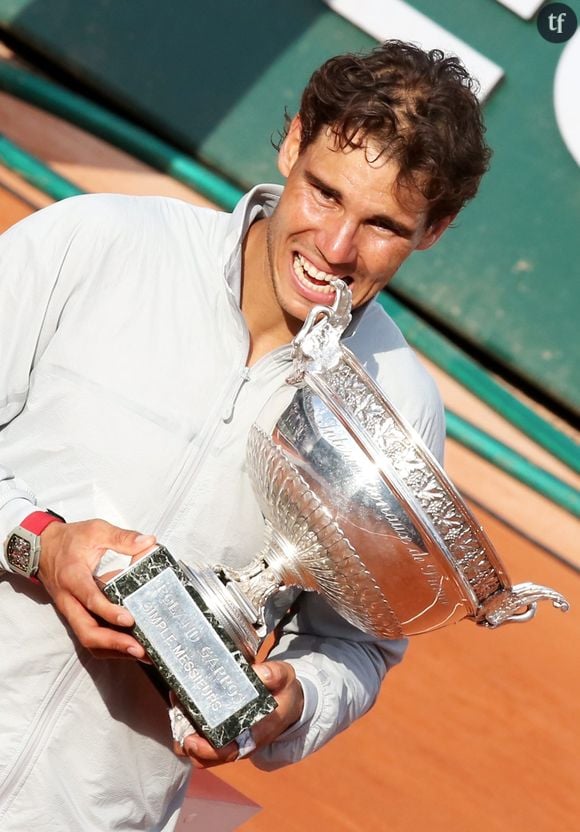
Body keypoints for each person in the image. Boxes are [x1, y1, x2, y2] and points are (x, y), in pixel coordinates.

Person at [0, 40, 490, 830]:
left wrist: (294, 703)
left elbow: (356, 648)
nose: (335, 249)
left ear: (437, 228)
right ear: (294, 141)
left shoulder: (399, 408)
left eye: (383, 226)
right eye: (325, 193)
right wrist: (36, 542)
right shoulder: (97, 243)